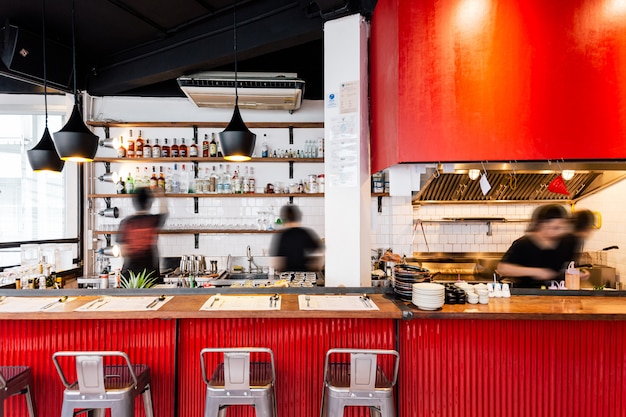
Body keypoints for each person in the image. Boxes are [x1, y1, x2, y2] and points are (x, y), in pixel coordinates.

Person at [497, 204, 579, 287]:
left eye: (563, 227)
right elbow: (502, 268)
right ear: (541, 224)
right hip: (529, 293)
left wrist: (576, 273)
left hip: (560, 293)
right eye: (555, 227)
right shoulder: (523, 244)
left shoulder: (568, 242)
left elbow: (568, 267)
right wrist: (536, 272)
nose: (560, 232)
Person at [117, 187, 168, 279]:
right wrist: (161, 196)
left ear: (134, 203)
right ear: (150, 203)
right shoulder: (152, 220)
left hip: (130, 274)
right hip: (150, 273)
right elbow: (164, 213)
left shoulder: (126, 223)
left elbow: (123, 251)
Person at [269, 204, 324, 272]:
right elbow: (319, 254)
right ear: (298, 216)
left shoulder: (282, 235)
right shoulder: (306, 233)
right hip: (306, 277)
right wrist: (314, 268)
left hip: (286, 278)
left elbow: (276, 263)